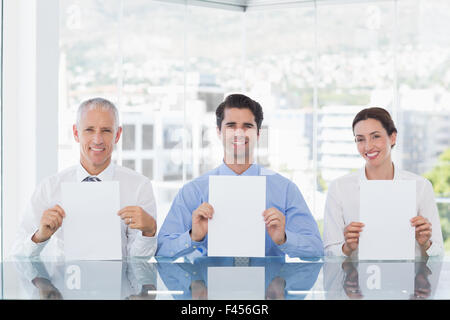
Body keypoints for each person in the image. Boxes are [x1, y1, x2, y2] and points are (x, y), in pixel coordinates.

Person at [156, 93, 323, 258]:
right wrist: (194, 236)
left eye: (247, 126)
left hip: (269, 283)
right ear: (219, 132)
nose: (239, 132)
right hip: (209, 282)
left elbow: (316, 248)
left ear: (258, 133)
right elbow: (162, 249)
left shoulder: (285, 190)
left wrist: (284, 238)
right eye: (231, 125)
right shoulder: (193, 191)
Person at [12, 97, 157, 259]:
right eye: (89, 129)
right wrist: (39, 236)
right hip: (61, 283)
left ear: (117, 135)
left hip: (117, 283)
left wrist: (149, 231)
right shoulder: (49, 188)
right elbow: (18, 253)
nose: (97, 139)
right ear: (76, 133)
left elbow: (139, 260)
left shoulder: (139, 186)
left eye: (106, 130)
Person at [323, 107, 444, 258]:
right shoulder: (340, 188)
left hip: (408, 278)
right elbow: (328, 252)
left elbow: (439, 252)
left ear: (392, 137)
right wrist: (346, 248)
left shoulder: (420, 186)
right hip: (357, 278)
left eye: (375, 136)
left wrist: (425, 243)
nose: (368, 146)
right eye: (360, 139)